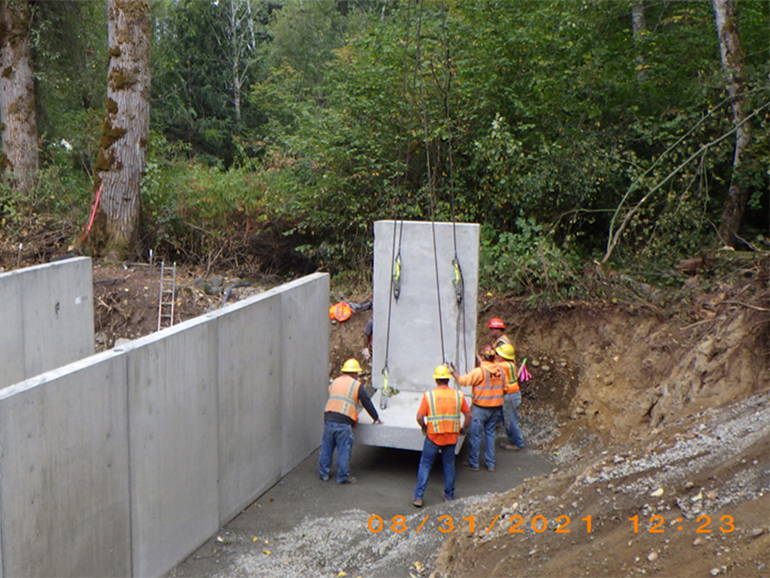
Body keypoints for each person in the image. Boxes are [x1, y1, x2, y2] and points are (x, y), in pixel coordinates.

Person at [412, 365, 471, 508]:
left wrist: (424, 427)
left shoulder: (429, 396)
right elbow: (469, 415)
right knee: (449, 465)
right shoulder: (458, 395)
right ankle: (449, 495)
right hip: (451, 437)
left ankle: (418, 497)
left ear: (436, 380)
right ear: (448, 380)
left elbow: (419, 417)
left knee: (425, 465)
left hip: (433, 437)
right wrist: (463, 429)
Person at [319, 358, 383, 484]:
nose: (358, 376)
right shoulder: (356, 386)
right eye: (357, 373)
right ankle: (342, 477)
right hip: (343, 421)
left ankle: (324, 474)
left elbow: (332, 393)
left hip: (329, 418)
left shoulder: (335, 382)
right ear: (353, 373)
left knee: (327, 448)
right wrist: (376, 418)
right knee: (344, 450)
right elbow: (366, 402)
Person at [451, 345, 504, 472]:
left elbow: (463, 381)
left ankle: (474, 462)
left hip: (481, 408)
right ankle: (490, 463)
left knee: (476, 435)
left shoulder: (480, 371)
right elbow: (505, 386)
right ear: (494, 357)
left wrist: (452, 372)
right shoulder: (501, 370)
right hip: (496, 408)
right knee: (490, 435)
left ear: (483, 357)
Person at [496, 343, 525, 451]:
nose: (497, 356)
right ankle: (511, 440)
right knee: (507, 420)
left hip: (510, 395)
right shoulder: (511, 363)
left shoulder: (503, 366)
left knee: (511, 420)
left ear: (503, 356)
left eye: (499, 354)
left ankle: (518, 443)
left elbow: (491, 367)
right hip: (511, 394)